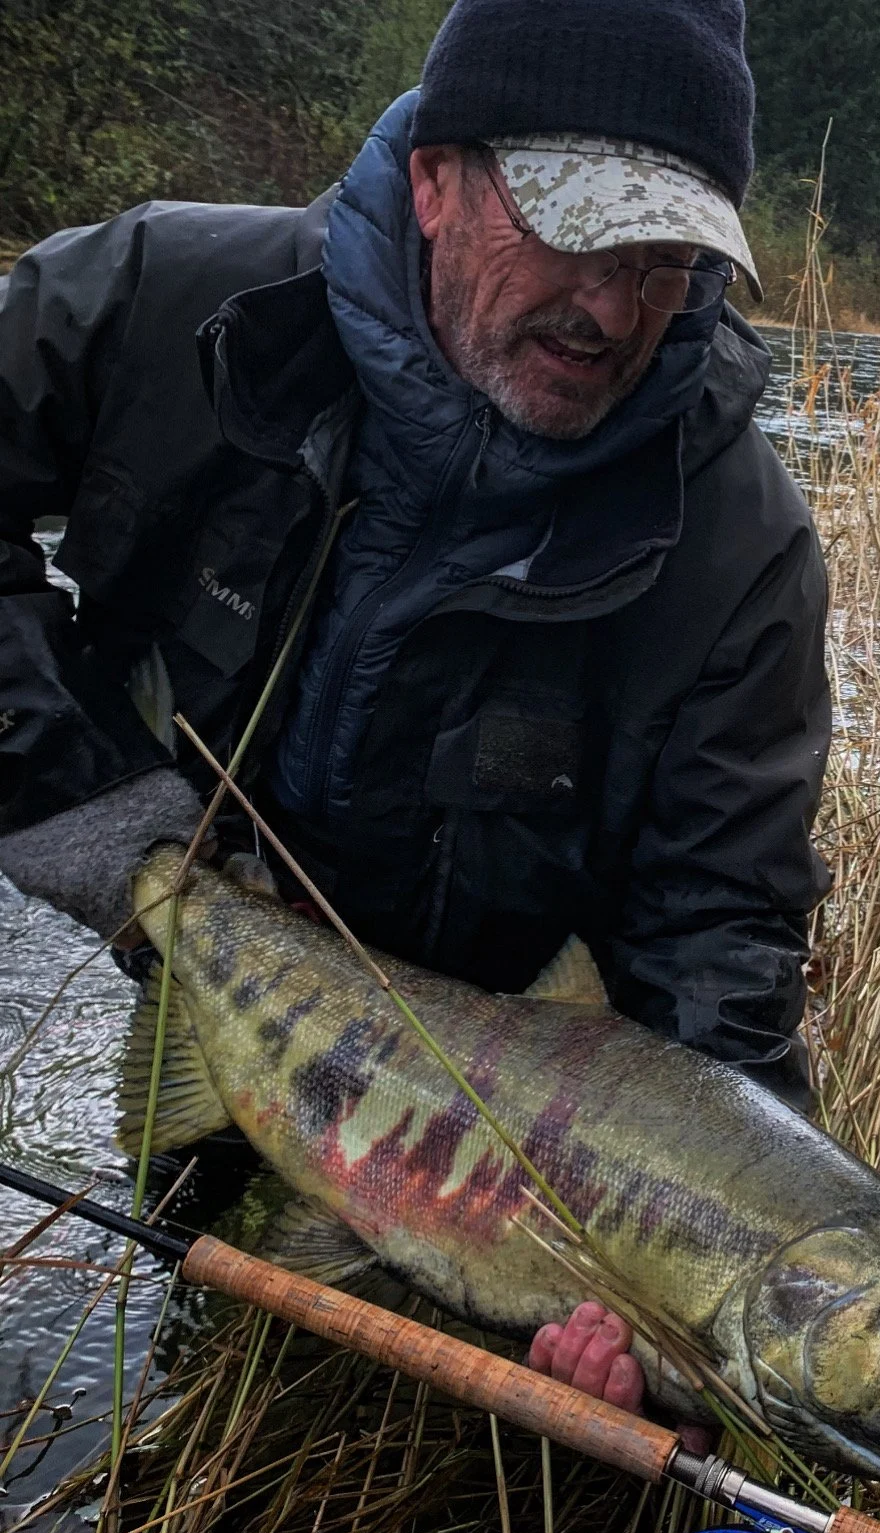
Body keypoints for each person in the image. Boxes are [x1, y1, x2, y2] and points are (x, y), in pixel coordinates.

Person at [0, 0, 830, 1419]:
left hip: (484, 1116)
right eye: (578, 231)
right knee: (180, 1385)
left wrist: (697, 1290)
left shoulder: (740, 552)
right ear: (436, 175)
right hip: (193, 955)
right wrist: (84, 802)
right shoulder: (165, 296)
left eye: (666, 259)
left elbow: (716, 940)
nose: (618, 308)